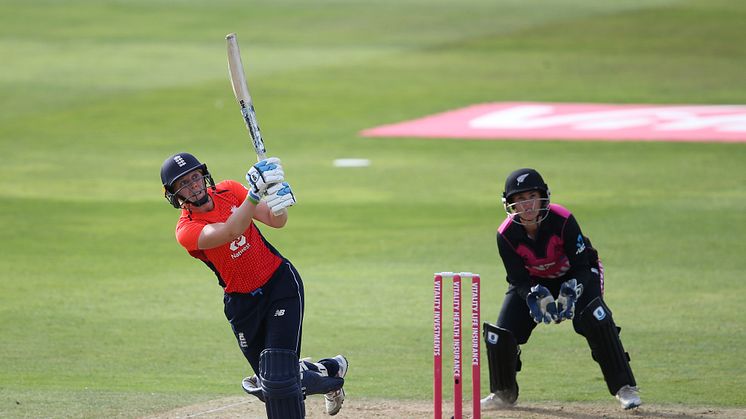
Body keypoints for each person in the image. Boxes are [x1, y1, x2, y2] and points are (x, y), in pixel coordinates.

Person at [160, 152, 348, 418]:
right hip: (241, 304)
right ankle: (330, 370)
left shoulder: (230, 190)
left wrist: (279, 202)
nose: (194, 185)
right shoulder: (186, 230)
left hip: (279, 285)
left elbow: (276, 221)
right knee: (272, 382)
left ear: (204, 176)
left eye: (195, 177)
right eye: (185, 184)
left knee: (280, 379)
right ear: (174, 194)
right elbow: (229, 232)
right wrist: (255, 194)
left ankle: (315, 373)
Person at [481, 168, 641, 411]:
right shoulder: (506, 235)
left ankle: (624, 388)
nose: (527, 205)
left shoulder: (563, 220)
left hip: (578, 273)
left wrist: (572, 290)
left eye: (532, 196)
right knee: (502, 333)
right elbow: (518, 280)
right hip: (536, 281)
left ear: (543, 196)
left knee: (595, 319)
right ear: (511, 204)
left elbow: (582, 267)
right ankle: (503, 393)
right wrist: (534, 295)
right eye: (520, 199)